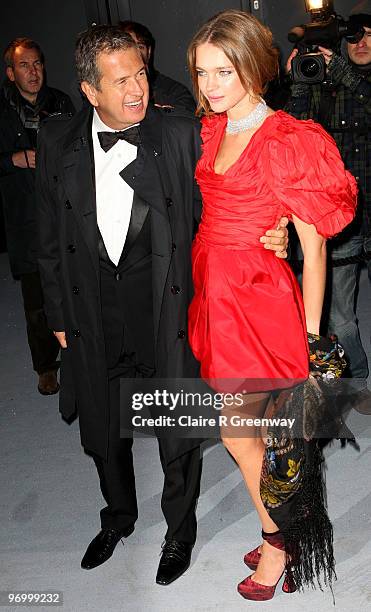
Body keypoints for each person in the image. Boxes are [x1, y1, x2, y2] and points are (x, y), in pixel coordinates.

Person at [36, 25, 288, 586]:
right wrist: (55, 316)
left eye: (141, 74)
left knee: (175, 427)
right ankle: (119, 517)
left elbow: (237, 188)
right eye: (119, 81)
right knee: (105, 429)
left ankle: (179, 531)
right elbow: (48, 240)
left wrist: (280, 231)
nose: (136, 90)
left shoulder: (179, 134)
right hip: (91, 311)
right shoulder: (58, 141)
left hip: (162, 310)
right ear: (88, 90)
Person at [187, 9, 357, 601]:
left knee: (239, 433)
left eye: (224, 72)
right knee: (252, 431)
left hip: (259, 302)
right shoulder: (214, 128)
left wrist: (310, 339)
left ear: (254, 69)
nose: (210, 86)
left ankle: (278, 541)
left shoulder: (290, 141)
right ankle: (289, 523)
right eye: (203, 72)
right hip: (216, 291)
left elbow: (315, 252)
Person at [285, 13, 371, 390]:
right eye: (354, 38)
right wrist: (300, 84)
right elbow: (290, 134)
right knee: (338, 317)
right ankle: (357, 377)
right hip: (345, 215)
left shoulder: (352, 80)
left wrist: (345, 76)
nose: (361, 43)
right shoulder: (322, 80)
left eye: (369, 36)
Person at [0, 38, 74, 395]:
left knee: (74, 287)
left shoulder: (60, 103)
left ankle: (78, 358)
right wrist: (11, 160)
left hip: (62, 210)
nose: (33, 72)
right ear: (11, 73)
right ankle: (46, 367)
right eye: (24, 66)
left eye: (38, 64)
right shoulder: (1, 111)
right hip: (25, 216)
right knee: (36, 300)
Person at [119, 20, 196, 112]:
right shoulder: (109, 90)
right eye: (127, 47)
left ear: (149, 51)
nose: (134, 53)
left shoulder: (174, 93)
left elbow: (187, 121)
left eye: (139, 47)